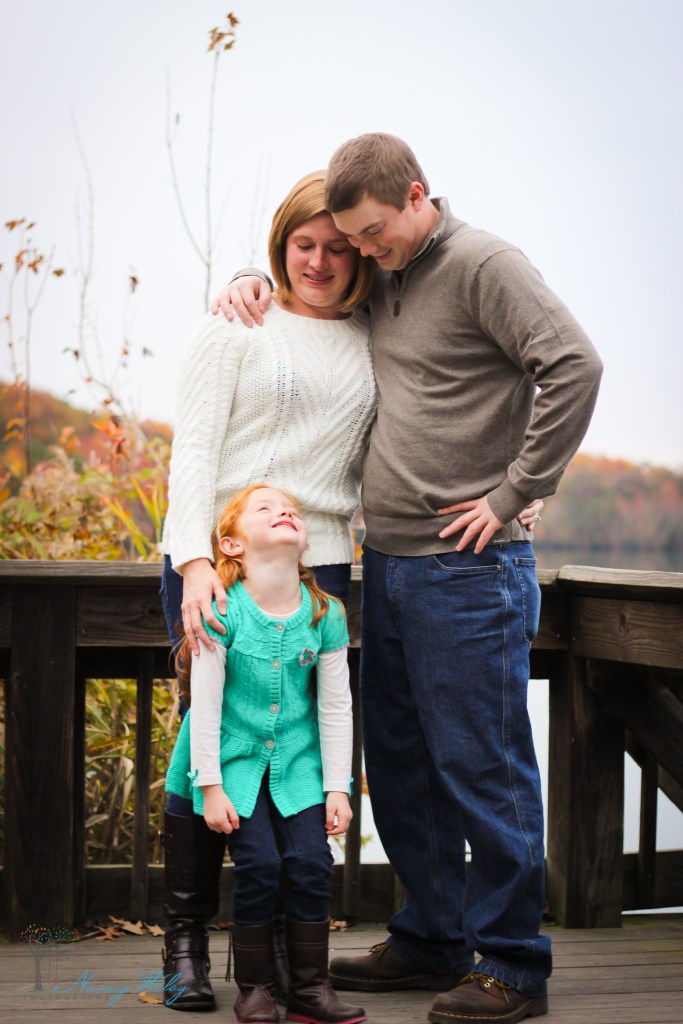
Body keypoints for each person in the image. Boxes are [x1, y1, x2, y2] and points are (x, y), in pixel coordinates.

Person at [212, 133, 603, 1024]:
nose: (364, 253)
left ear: (419, 196)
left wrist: (515, 492)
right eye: (353, 241)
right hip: (383, 564)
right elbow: (312, 281)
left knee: (482, 765)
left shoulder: (483, 264)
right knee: (399, 762)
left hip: (466, 570)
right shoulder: (386, 270)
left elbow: (574, 366)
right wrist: (248, 275)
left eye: (374, 234)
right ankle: (431, 938)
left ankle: (511, 967)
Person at [158, 170, 377, 1012]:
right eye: (301, 245)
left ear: (359, 256)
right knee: (206, 739)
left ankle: (285, 963)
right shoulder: (238, 325)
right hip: (221, 558)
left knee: (299, 754)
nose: (318, 262)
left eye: (335, 247)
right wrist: (194, 563)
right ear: (279, 247)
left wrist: (520, 487)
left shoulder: (369, 336)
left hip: (319, 564)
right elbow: (195, 453)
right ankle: (184, 949)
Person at [165, 484, 367, 1024]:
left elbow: (335, 707)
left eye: (293, 510)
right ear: (230, 545)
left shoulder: (326, 613)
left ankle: (308, 987)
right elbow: (203, 709)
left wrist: (336, 787)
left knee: (310, 863)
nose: (285, 511)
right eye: (265, 508)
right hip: (233, 764)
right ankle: (254, 989)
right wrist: (209, 786)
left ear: (305, 541)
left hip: (300, 764)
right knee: (259, 864)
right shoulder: (221, 612)